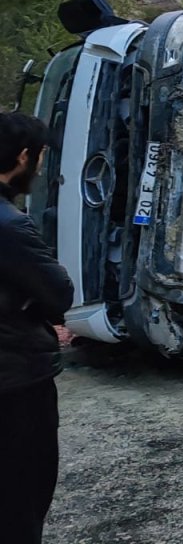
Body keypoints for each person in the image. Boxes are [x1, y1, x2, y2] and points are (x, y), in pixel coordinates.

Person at [0, 112, 74, 544]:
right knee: (21, 495)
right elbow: (59, 293)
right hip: (15, 384)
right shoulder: (9, 226)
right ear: (25, 156)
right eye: (41, 156)